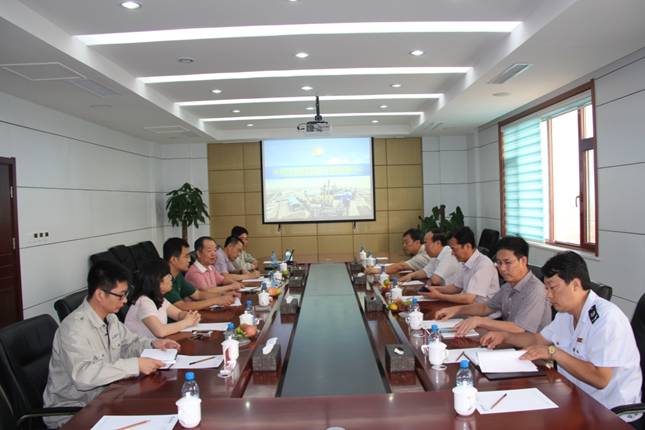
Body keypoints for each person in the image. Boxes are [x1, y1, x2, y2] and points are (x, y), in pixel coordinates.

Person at [481, 252, 642, 423]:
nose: (548, 295)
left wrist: (553, 352)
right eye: (546, 288)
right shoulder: (566, 314)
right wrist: (505, 337)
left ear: (575, 285)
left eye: (553, 288)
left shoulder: (607, 319)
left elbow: (600, 379)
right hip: (576, 399)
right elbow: (538, 340)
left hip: (610, 414)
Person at [43, 260, 179, 428]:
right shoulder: (74, 329)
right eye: (120, 295)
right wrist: (135, 365)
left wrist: (154, 344)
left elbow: (130, 343)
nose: (125, 300)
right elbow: (83, 376)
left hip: (105, 399)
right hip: (74, 412)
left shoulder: (110, 319)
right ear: (100, 294)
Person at [436, 236, 551, 335]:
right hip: (508, 341)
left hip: (531, 350)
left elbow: (519, 328)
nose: (502, 268)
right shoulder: (508, 286)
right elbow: (486, 308)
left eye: (507, 262)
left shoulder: (536, 290)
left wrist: (479, 321)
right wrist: (456, 310)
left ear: (523, 261)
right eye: (499, 263)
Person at [421, 226, 499, 304]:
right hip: (468, 307)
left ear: (467, 246)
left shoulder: (484, 265)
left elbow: (468, 299)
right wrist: (433, 289)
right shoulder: (465, 262)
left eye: (454, 249)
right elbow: (456, 287)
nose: (452, 253)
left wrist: (439, 296)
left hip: (481, 310)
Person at [125, 259, 201, 338]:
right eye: (168, 275)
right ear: (158, 280)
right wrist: (186, 322)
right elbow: (160, 331)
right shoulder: (144, 301)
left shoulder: (160, 299)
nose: (171, 278)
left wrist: (189, 316)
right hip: (140, 346)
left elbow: (178, 314)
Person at [163, 237, 238, 310]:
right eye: (186, 257)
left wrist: (222, 294)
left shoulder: (178, 275)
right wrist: (216, 300)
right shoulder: (163, 279)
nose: (189, 260)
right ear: (174, 260)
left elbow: (198, 294)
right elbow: (183, 306)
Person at [366, 228, 431, 275]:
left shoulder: (423, 255)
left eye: (406, 242)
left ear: (417, 242)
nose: (404, 246)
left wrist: (378, 270)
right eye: (403, 243)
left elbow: (401, 266)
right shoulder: (421, 251)